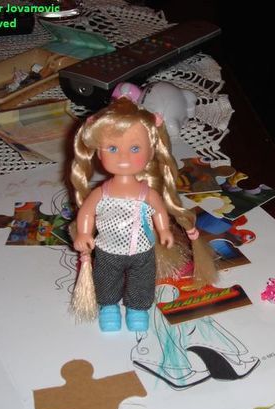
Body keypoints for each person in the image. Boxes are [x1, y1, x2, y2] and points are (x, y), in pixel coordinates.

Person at [69, 97, 216, 331]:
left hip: (142, 250)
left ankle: (137, 309)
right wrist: (84, 233)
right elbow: (87, 213)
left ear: (150, 151)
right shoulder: (101, 193)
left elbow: (159, 212)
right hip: (107, 249)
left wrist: (164, 230)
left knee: (142, 282)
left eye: (135, 148)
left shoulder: (147, 193)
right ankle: (109, 307)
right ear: (99, 153)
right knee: (106, 281)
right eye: (113, 148)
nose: (123, 157)